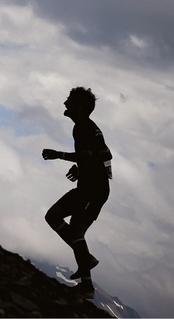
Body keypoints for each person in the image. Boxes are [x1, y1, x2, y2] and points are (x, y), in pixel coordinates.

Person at [42, 87, 112, 299]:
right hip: (90, 188)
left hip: (93, 190)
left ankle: (86, 270)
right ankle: (87, 281)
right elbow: (105, 155)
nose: (65, 104)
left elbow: (89, 155)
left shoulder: (82, 127)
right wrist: (81, 167)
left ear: (79, 107)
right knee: (58, 219)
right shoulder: (90, 127)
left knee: (71, 229)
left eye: (69, 101)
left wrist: (58, 155)